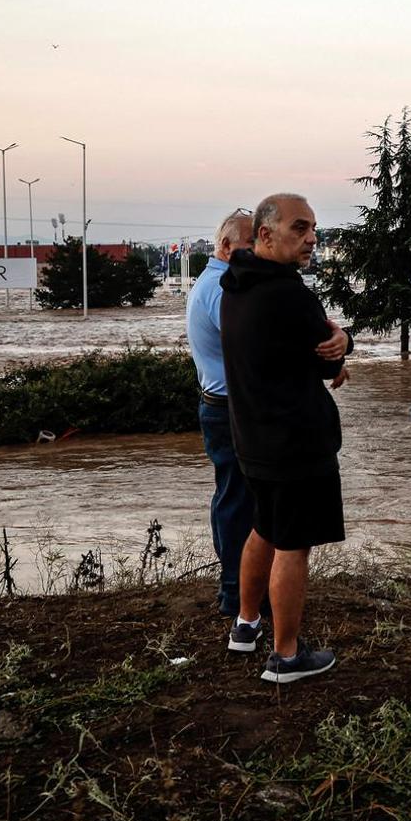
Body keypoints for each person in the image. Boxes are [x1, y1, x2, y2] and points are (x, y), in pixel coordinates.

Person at [220, 193, 351, 683]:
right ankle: (287, 656)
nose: (312, 238)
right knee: (293, 545)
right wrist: (344, 343)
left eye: (314, 229)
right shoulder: (288, 293)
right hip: (295, 443)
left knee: (265, 528)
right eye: (300, 229)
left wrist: (331, 342)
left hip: (253, 438)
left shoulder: (235, 284)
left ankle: (246, 625)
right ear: (266, 235)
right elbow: (329, 361)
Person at [186, 210, 258, 618]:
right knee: (236, 504)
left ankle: (238, 589)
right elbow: (250, 347)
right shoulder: (221, 289)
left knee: (233, 499)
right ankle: (236, 595)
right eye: (252, 244)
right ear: (227, 246)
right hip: (229, 410)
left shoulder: (215, 284)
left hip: (222, 406)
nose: (259, 253)